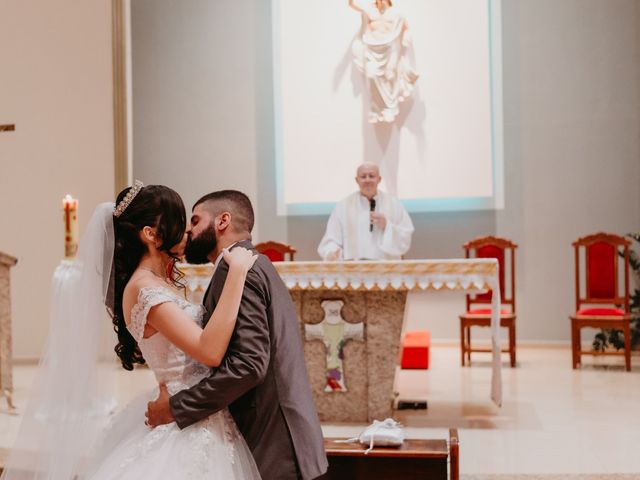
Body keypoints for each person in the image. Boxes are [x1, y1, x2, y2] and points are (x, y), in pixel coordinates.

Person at [1, 183, 262, 480]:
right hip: (183, 417)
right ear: (150, 234)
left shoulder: (156, 283)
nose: (187, 232)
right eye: (179, 221)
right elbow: (210, 351)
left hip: (193, 408)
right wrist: (238, 273)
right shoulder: (143, 289)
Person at [145, 190, 328, 480]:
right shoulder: (250, 265)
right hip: (281, 437)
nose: (189, 230)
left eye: (195, 220)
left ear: (223, 221)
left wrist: (177, 408)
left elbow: (248, 365)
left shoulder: (239, 271)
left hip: (275, 445)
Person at [318, 162, 414, 261]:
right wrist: (332, 253)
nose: (367, 180)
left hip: (386, 271)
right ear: (357, 180)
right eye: (363, 177)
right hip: (354, 272)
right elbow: (331, 239)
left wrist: (387, 225)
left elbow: (405, 236)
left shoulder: (394, 205)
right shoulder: (343, 207)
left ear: (379, 179)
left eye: (371, 176)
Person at [349, 0, 419, 123]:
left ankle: (389, 108)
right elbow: (352, 5)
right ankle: (375, 110)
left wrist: (406, 36)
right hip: (372, 50)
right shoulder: (370, 10)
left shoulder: (396, 13)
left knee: (390, 75)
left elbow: (406, 27)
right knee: (371, 76)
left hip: (390, 49)